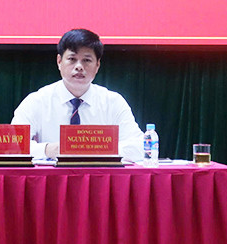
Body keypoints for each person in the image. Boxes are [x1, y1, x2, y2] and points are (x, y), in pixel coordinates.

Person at [11, 28, 144, 162]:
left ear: (97, 65)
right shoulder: (36, 101)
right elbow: (12, 145)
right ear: (59, 61)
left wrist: (96, 149)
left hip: (98, 174)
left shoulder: (113, 102)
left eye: (86, 60)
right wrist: (47, 150)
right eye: (72, 59)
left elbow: (139, 147)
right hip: (53, 174)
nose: (79, 66)